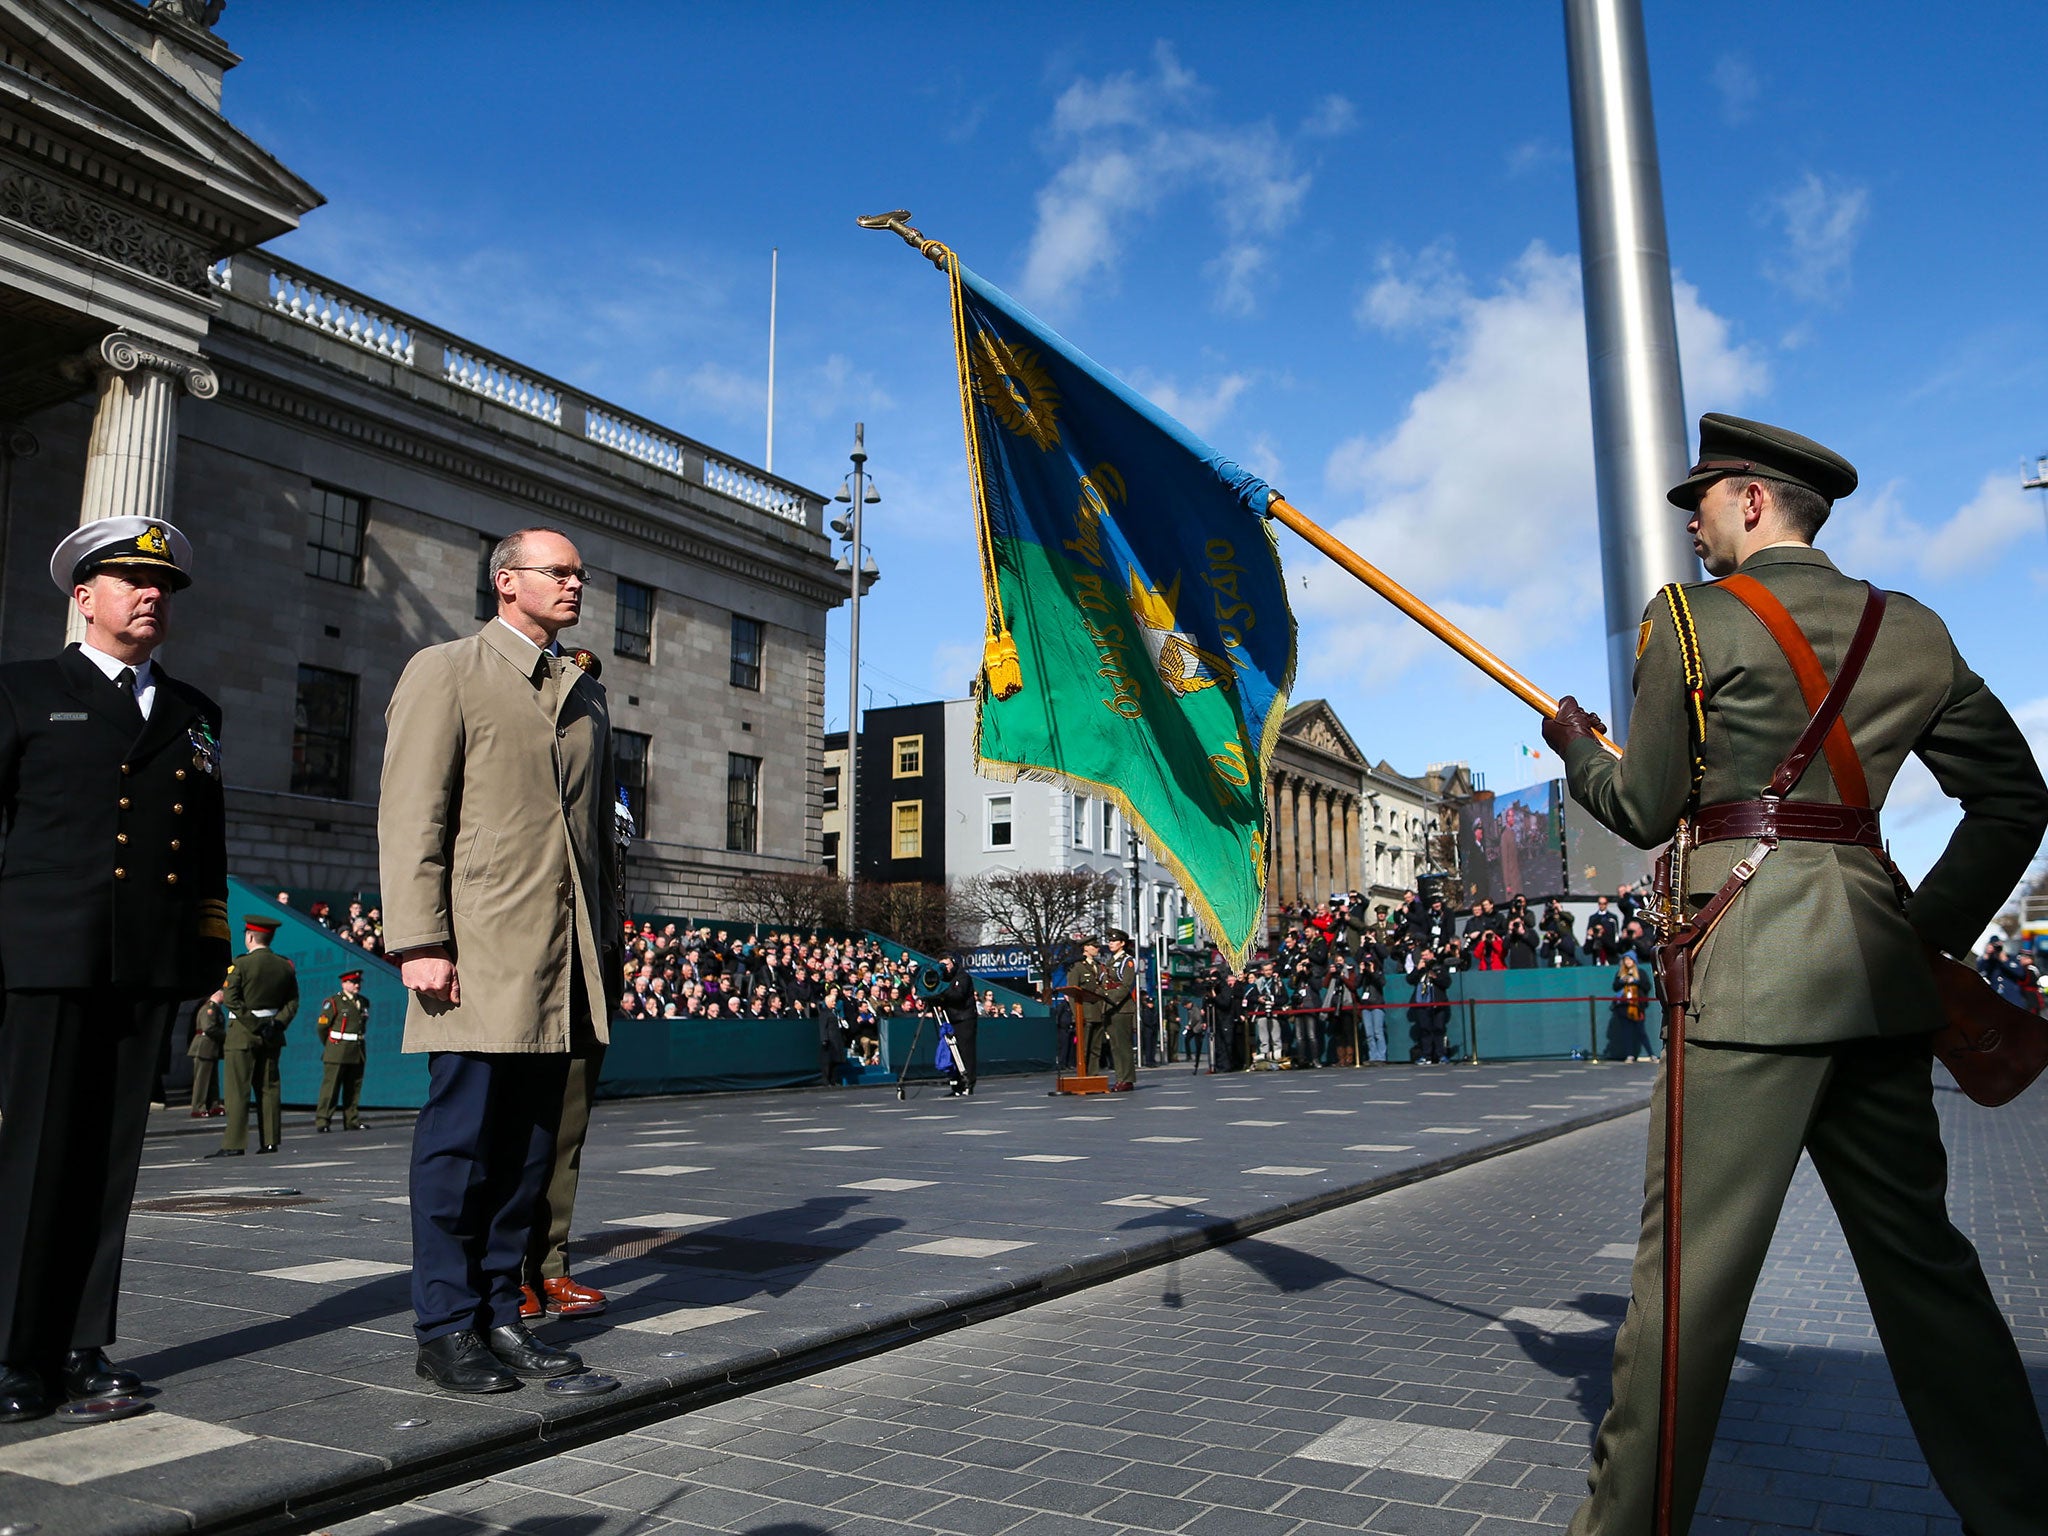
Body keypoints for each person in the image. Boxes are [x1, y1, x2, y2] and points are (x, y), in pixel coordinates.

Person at [1543, 413, 2048, 1532]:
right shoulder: (1911, 631)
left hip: (1742, 978)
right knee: (1926, 1274)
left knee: (1687, 1295)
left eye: (1702, 504)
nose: (1692, 528)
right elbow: (2014, 800)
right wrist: (1921, 935)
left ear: (1753, 502)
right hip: (1877, 979)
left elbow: (1640, 805)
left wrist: (1573, 743)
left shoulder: (1688, 622)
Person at [0, 517, 230, 1422]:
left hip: (144, 961)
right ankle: (15, 1350)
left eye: (163, 587)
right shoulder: (24, 692)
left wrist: (204, 951)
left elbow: (205, 843)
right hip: (44, 957)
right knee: (37, 1154)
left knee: (109, 1163)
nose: (152, 597)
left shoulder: (194, 711)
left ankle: (80, 1343)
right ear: (82, 597)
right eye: (132, 581)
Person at [381, 526, 621, 1394]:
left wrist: (606, 944)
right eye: (559, 571)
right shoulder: (446, 670)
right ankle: (445, 1324)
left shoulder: (584, 691)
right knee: (460, 1147)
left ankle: (501, 1313)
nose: (576, 584)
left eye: (580, 572)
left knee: (528, 1153)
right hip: (477, 951)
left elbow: (598, 842)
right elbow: (413, 814)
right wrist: (419, 940)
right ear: (505, 581)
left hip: (563, 960)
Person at [212, 916, 297, 1156]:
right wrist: (276, 1024)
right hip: (271, 1033)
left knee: (237, 1089)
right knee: (269, 1087)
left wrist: (254, 1024)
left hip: (243, 1033)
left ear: (250, 937)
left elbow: (231, 999)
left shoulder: (241, 965)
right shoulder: (284, 965)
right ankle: (270, 1141)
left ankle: (234, 1143)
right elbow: (292, 1001)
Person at [313, 970, 370, 1132]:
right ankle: (323, 1121)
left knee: (353, 1088)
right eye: (353, 982)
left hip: (357, 1050)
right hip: (337, 1049)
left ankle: (351, 1119)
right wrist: (331, 1046)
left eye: (358, 982)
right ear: (344, 984)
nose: (357, 985)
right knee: (330, 1089)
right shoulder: (334, 1002)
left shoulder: (363, 1002)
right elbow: (322, 1027)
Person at [932, 954, 978, 1096]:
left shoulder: (963, 977)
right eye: (941, 965)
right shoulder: (943, 979)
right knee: (951, 1052)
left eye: (946, 964)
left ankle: (968, 1083)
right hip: (950, 1018)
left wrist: (941, 990)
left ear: (953, 963)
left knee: (965, 1052)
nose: (944, 968)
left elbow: (958, 996)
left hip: (964, 1019)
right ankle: (956, 1085)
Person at [1099, 930, 1139, 1090]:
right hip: (1110, 1008)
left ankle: (1127, 1079)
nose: (1111, 943)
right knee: (1114, 1045)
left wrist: (1110, 999)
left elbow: (1125, 986)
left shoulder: (1127, 961)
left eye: (1114, 941)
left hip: (1121, 1008)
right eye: (1109, 941)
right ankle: (1120, 1078)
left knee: (1123, 1045)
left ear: (1122, 943)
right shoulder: (1109, 962)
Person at [1603, 955, 1652, 1063]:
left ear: (1634, 960)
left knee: (1641, 1031)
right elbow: (1615, 987)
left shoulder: (1640, 973)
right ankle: (1629, 1055)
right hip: (1623, 1006)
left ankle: (1651, 1054)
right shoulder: (1620, 973)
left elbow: (1647, 986)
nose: (1628, 962)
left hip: (1637, 1006)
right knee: (1627, 1032)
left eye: (1630, 959)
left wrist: (1635, 981)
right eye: (1626, 960)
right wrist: (1622, 981)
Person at [1405, 948, 1451, 1064]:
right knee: (1425, 1030)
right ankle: (1426, 1055)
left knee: (1439, 1029)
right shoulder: (1420, 968)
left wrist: (1435, 977)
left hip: (1437, 1003)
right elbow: (1409, 980)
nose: (1424, 957)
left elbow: (1447, 982)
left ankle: (1440, 1055)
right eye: (1422, 955)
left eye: (1426, 955)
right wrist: (1417, 969)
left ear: (1431, 954)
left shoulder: (1439, 967)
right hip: (1422, 1003)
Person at [187, 988, 226, 1117]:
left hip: (212, 1049)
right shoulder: (209, 1008)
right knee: (202, 1081)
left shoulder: (216, 1009)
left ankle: (213, 1105)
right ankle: (198, 1107)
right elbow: (209, 1028)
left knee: (213, 1080)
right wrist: (225, 1036)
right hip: (204, 1047)